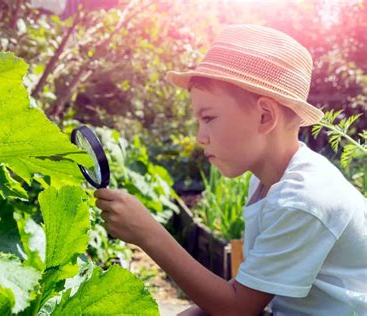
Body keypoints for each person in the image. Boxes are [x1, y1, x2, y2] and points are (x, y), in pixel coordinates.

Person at [94, 24, 366, 315]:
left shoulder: (304, 200)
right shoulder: (267, 183)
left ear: (264, 117)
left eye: (208, 118)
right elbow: (250, 289)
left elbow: (237, 310)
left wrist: (149, 234)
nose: (200, 136)